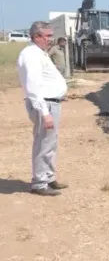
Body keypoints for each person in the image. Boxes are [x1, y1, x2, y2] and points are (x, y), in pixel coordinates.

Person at [16, 21, 68, 196]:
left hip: (51, 102)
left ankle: (48, 177)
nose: (51, 39)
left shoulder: (40, 53)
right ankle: (39, 183)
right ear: (37, 36)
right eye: (48, 36)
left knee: (50, 143)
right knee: (43, 143)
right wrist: (44, 113)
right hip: (44, 104)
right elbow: (33, 87)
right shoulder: (31, 55)